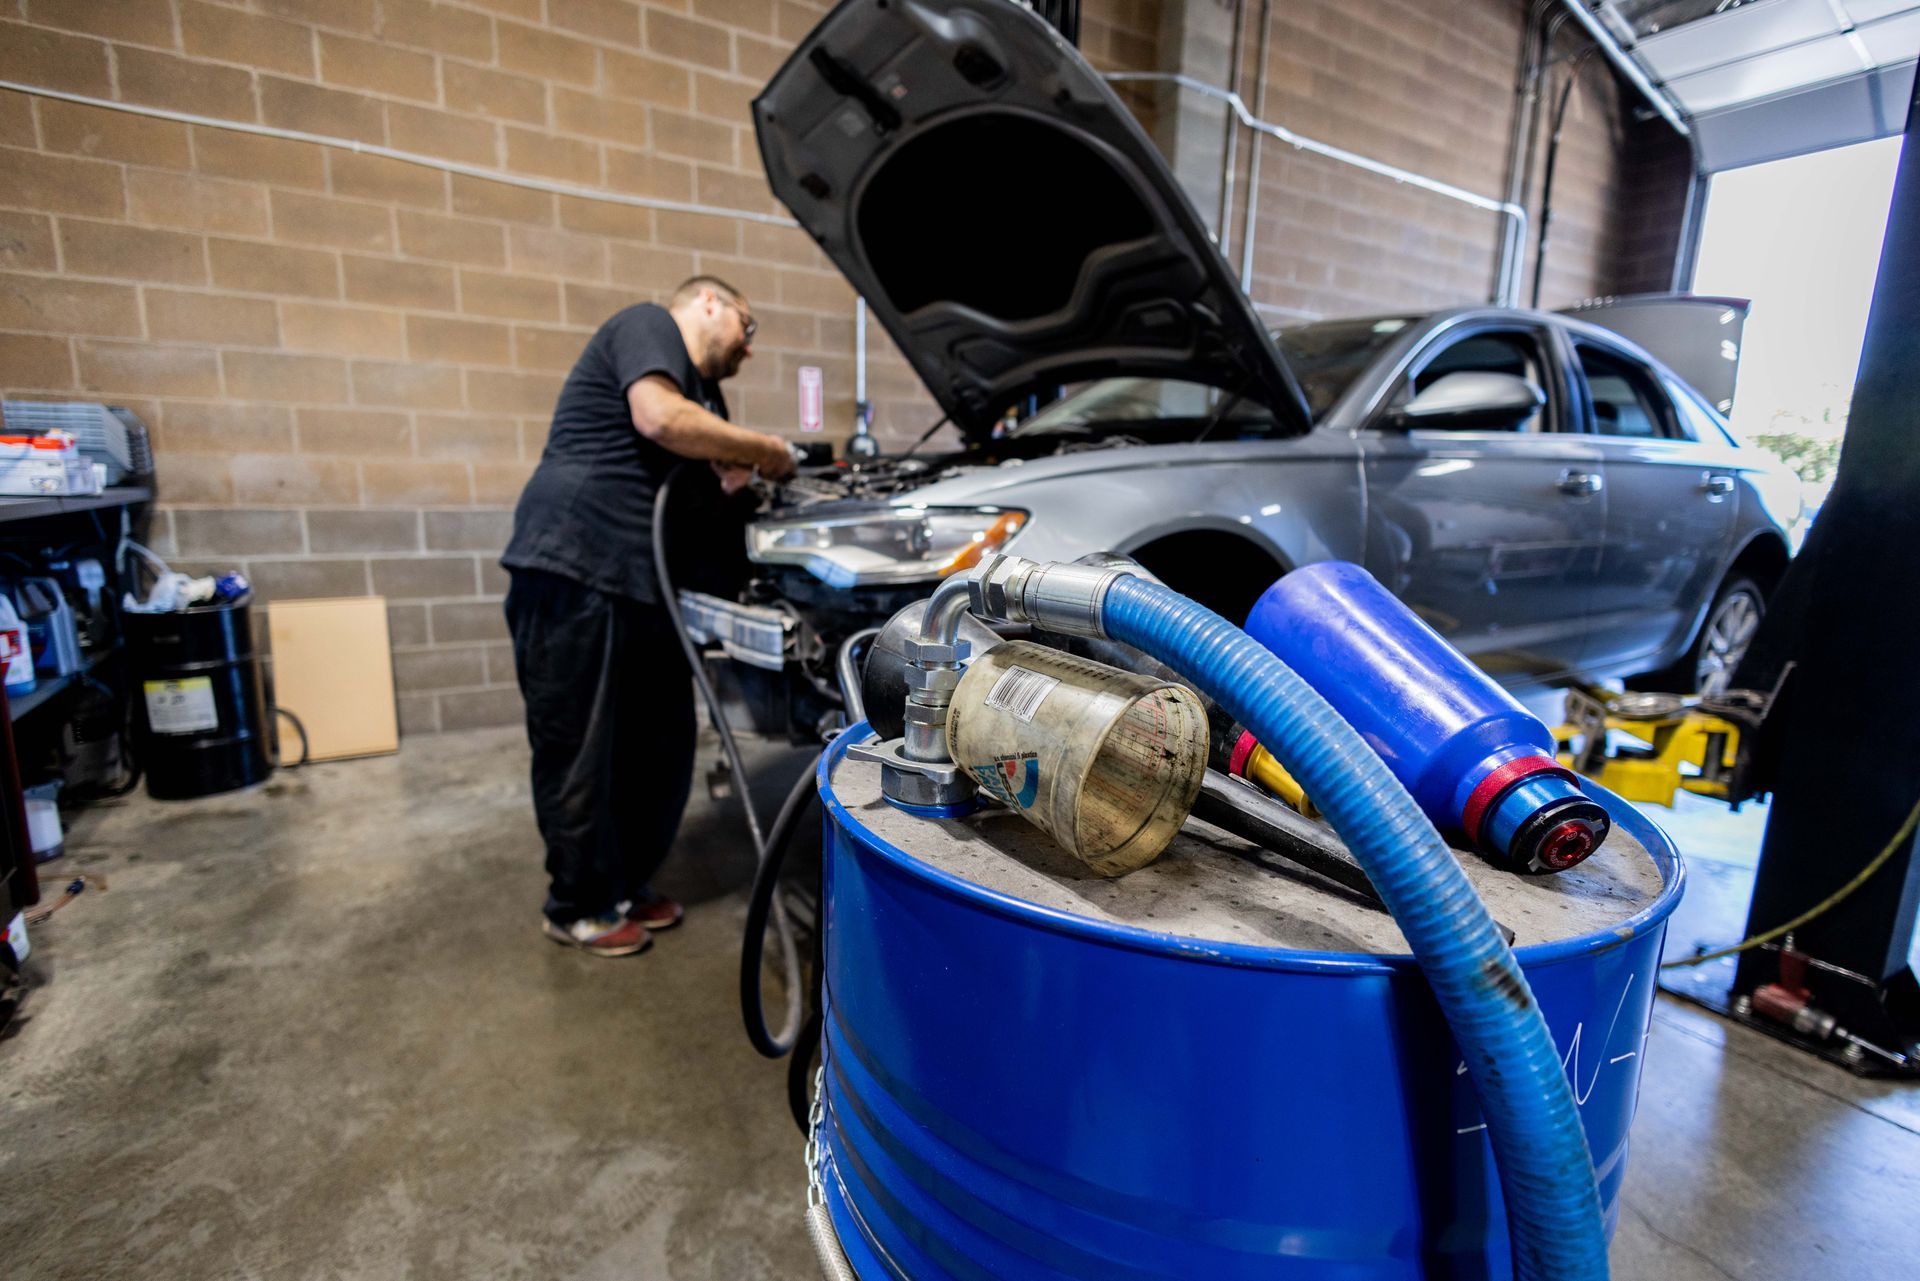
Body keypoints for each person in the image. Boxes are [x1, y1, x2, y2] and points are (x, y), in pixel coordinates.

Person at [501, 276, 797, 957]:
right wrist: (763, 448)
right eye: (747, 330)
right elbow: (659, 420)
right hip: (574, 570)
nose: (748, 351)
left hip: (647, 589)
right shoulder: (646, 326)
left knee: (656, 750)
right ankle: (576, 903)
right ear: (709, 305)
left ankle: (623, 882)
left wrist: (735, 485)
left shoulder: (707, 395)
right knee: (580, 747)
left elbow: (700, 490)